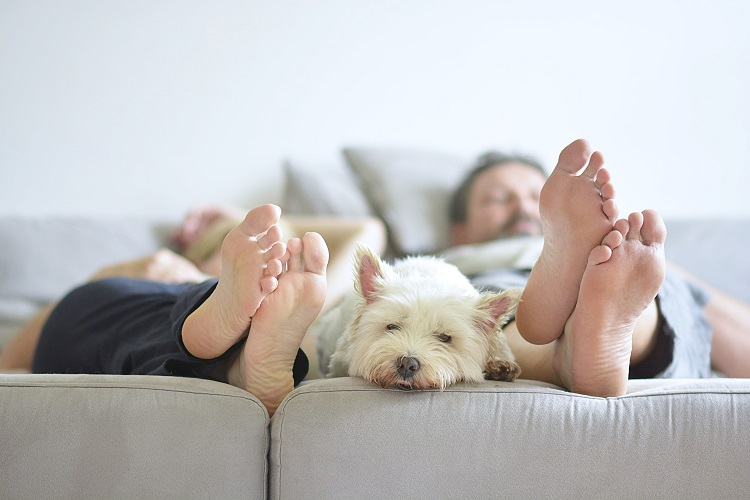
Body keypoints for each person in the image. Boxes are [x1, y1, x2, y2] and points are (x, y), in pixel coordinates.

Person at [446, 138, 750, 396]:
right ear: (458, 233)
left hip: (614, 266)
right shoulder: (448, 267)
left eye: (534, 198)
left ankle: (575, 345)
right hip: (497, 280)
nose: (523, 208)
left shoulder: (634, 256)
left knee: (628, 285)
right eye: (499, 199)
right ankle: (581, 339)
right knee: (485, 319)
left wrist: (653, 262)